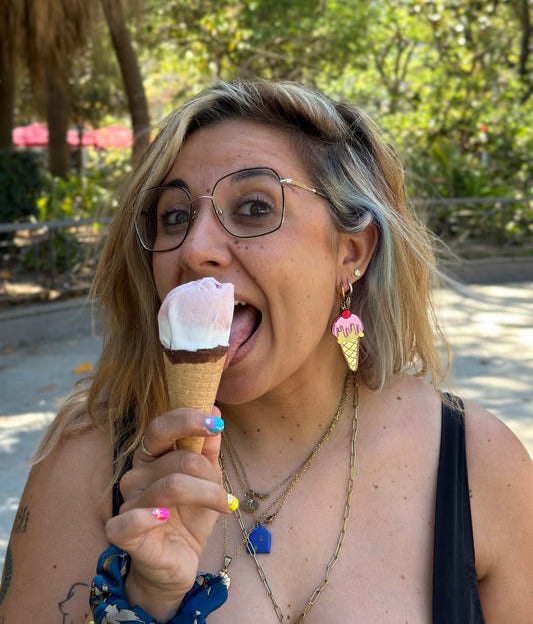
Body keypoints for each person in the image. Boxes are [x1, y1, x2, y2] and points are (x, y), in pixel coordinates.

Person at [1, 77, 531, 623]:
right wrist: (144, 601)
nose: (194, 249)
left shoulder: (480, 465)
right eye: (175, 216)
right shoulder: (87, 464)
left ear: (352, 252)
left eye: (254, 207)